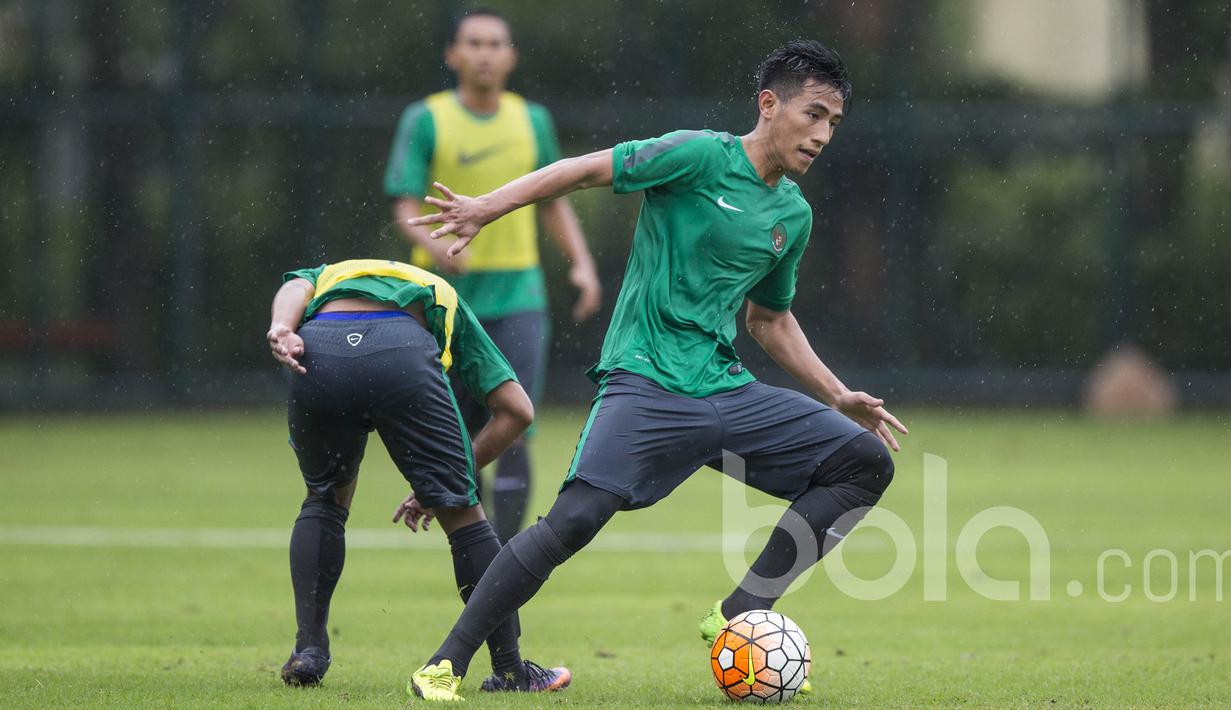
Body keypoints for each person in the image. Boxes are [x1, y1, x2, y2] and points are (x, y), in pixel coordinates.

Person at [401, 40, 910, 702]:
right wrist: (484, 207)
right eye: (812, 114)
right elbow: (582, 171)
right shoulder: (697, 156)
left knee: (864, 463)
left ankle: (736, 616)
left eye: (832, 124)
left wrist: (838, 395)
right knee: (573, 522)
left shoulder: (792, 214)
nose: (821, 135)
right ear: (768, 104)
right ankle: (447, 663)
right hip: (645, 382)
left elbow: (769, 320)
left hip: (724, 391)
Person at [266, 258, 571, 695]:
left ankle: (308, 649)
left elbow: (295, 284)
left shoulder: (326, 276)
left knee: (324, 497)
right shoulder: (443, 297)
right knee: (464, 517)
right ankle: (510, 669)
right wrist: (448, 484)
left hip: (318, 352)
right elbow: (518, 411)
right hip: (401, 352)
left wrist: (282, 327)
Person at [384, 7, 601, 544]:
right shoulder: (426, 118)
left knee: (515, 424)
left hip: (519, 293)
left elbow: (553, 198)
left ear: (511, 57)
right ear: (452, 55)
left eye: (495, 44)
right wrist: (435, 245)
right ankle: (476, 548)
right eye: (474, 43)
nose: (484, 53)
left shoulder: (532, 121)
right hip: (443, 301)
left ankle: (504, 558)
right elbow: (404, 202)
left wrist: (582, 263)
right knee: (456, 433)